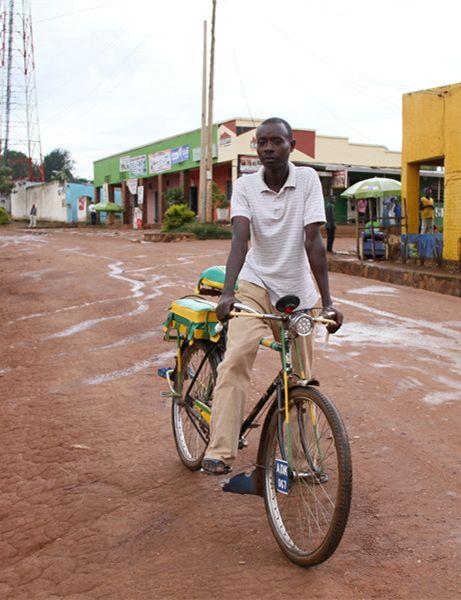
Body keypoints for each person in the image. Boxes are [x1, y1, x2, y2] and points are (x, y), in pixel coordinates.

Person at [201, 117, 343, 475]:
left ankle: (300, 461)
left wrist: (328, 303)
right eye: (261, 142)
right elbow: (239, 241)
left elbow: (313, 242)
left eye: (275, 141)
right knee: (236, 357)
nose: (267, 148)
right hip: (255, 285)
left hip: (297, 290)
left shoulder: (308, 180)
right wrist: (228, 293)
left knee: (301, 377)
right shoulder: (245, 185)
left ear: (291, 146)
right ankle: (220, 449)